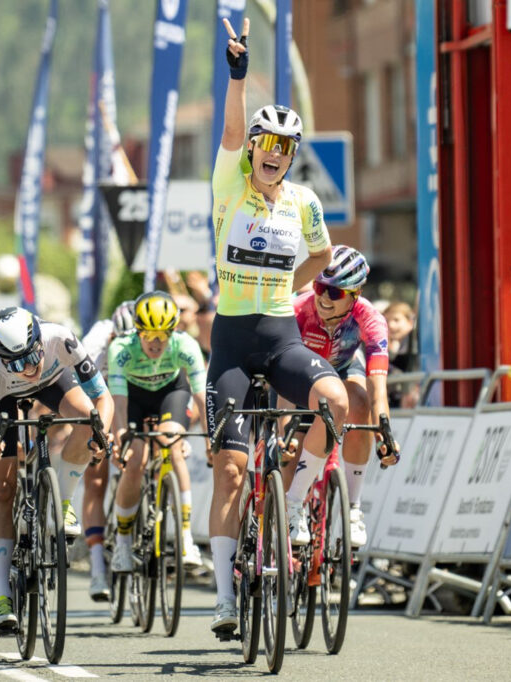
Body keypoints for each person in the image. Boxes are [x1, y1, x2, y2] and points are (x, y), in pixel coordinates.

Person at [206, 16, 349, 637]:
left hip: (283, 335)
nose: (275, 156)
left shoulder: (303, 203)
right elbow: (234, 130)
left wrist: (294, 287)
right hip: (234, 343)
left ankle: (292, 508)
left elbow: (321, 255)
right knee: (231, 470)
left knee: (335, 399)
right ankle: (224, 599)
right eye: (268, 146)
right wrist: (237, 77)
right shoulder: (230, 184)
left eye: (285, 149)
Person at [0, 307, 113, 632]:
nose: (28, 368)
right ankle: (2, 596)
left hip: (55, 379)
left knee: (90, 420)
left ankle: (61, 503)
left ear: (40, 340)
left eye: (32, 355)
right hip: (4, 395)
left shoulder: (61, 338)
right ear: (1, 359)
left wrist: (104, 434)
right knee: (0, 490)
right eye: (16, 363)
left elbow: (103, 398)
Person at [285, 246, 399, 547]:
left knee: (359, 405)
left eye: (335, 292)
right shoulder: (299, 309)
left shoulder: (371, 319)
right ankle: (289, 505)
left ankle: (353, 509)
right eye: (321, 286)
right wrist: (282, 428)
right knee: (287, 458)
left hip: (343, 368)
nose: (324, 297)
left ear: (355, 294)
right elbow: (280, 376)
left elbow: (378, 387)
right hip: (299, 377)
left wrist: (384, 430)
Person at [107, 291, 207, 575]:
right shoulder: (121, 349)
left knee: (172, 444)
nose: (156, 342)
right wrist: (121, 438)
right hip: (133, 398)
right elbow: (118, 401)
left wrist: (212, 438)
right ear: (138, 331)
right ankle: (124, 543)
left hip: (170, 393)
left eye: (163, 335)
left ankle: (186, 538)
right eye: (149, 334)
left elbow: (201, 397)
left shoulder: (185, 345)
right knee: (135, 459)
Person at [79, 301, 135, 602]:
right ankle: (98, 566)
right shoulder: (97, 339)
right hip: (98, 396)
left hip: (132, 394)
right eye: (119, 340)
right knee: (96, 479)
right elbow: (84, 390)